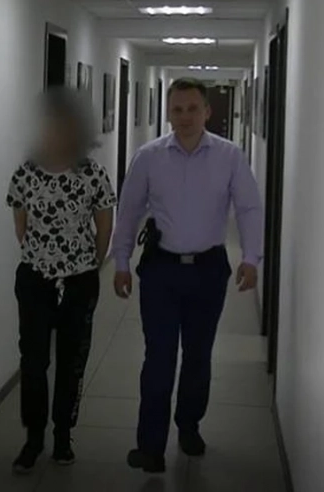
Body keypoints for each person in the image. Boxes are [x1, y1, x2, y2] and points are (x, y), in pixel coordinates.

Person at [111, 78, 264, 474]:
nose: (185, 117)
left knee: (197, 356)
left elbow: (248, 207)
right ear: (168, 113)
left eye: (193, 108)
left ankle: (189, 424)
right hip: (161, 271)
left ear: (207, 111)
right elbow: (129, 211)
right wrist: (121, 262)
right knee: (159, 357)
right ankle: (150, 447)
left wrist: (251, 258)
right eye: (177, 109)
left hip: (208, 271)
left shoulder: (229, 156)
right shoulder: (148, 157)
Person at [6, 88, 116, 474]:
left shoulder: (93, 174)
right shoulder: (25, 174)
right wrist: (45, 259)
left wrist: (86, 265)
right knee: (33, 362)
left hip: (79, 281)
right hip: (35, 280)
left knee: (71, 363)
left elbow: (104, 228)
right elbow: (21, 228)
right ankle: (33, 439)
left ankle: (63, 437)